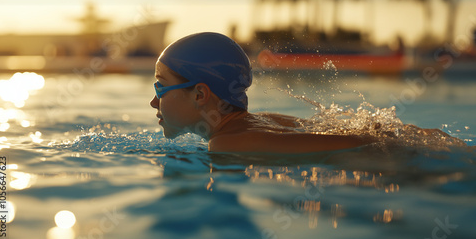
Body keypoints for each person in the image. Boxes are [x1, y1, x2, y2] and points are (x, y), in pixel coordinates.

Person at [149, 32, 455, 153]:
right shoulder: (261, 121)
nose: (153, 101)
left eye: (161, 86)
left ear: (200, 94)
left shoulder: (228, 143)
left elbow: (366, 145)